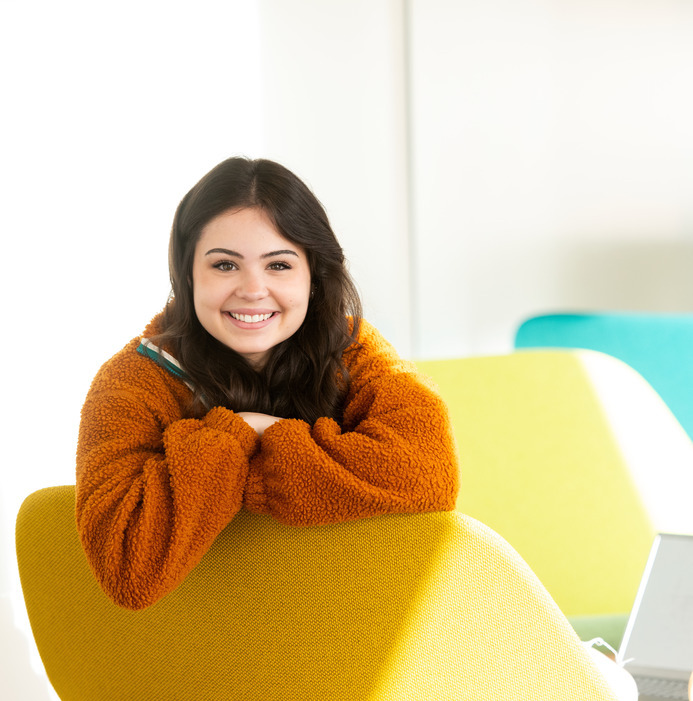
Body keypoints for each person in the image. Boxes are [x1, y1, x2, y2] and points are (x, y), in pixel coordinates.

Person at [76, 157, 460, 611]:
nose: (253, 290)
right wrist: (235, 432)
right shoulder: (134, 381)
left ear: (313, 276)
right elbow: (129, 570)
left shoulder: (351, 347)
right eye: (224, 266)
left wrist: (263, 438)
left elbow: (429, 472)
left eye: (278, 265)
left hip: (347, 632)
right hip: (206, 648)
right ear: (187, 274)